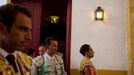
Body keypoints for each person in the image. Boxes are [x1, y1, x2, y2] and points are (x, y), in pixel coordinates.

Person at [0, 3, 33, 75]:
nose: (29, 37)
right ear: (2, 29)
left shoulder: (26, 60)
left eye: (30, 30)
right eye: (22, 29)